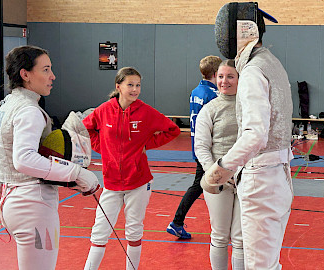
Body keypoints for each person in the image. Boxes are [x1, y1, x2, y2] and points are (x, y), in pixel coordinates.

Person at [0, 45, 100, 270]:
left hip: (14, 204)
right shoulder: (29, 110)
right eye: (46, 69)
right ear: (26, 74)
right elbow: (24, 159)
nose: (52, 76)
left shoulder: (6, 105)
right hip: (33, 207)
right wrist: (77, 173)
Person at [202, 3, 294, 269]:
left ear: (239, 31)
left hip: (261, 178)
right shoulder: (272, 63)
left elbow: (255, 134)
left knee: (259, 266)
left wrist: (220, 169)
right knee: (268, 264)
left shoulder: (253, 70)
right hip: (278, 176)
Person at [83, 67, 180, 270]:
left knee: (134, 231)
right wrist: (102, 148)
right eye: (130, 85)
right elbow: (87, 128)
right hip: (111, 183)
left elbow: (173, 129)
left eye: (138, 85)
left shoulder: (145, 111)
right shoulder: (104, 110)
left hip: (138, 182)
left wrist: (146, 144)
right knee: (99, 231)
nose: (135, 89)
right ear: (118, 86)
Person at [166, 55, 222, 239]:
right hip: (207, 147)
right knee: (200, 185)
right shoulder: (213, 95)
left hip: (197, 144)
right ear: (216, 74)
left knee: (203, 184)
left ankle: (178, 222)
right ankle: (177, 221)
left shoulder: (196, 91)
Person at [195, 60, 243, 269]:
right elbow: (202, 148)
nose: (224, 81)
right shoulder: (210, 109)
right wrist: (218, 174)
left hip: (246, 179)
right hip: (218, 181)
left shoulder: (250, 108)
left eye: (230, 76)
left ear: (240, 79)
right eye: (221, 77)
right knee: (220, 234)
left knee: (241, 239)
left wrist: (240, 172)